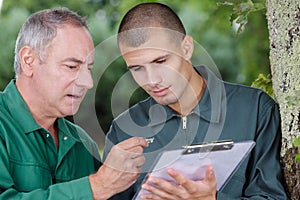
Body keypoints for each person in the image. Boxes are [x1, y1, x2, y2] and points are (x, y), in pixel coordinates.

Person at [103, 2, 287, 200]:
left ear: (186, 48)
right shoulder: (123, 130)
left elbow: (273, 197)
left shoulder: (255, 109)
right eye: (137, 68)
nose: (152, 80)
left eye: (160, 61)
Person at [0, 7, 148, 199]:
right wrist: (97, 186)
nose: (88, 83)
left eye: (89, 68)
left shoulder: (84, 143)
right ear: (29, 61)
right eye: (72, 66)